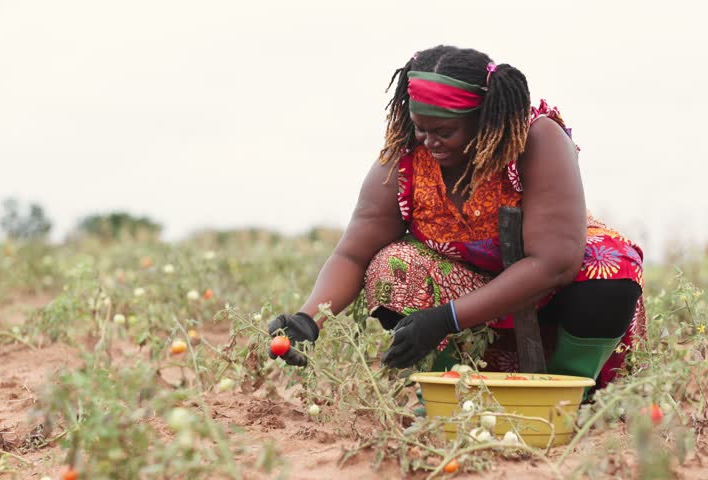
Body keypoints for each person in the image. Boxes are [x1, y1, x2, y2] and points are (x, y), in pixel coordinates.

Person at [268, 45, 646, 393]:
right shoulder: (407, 157)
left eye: (444, 131)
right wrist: (307, 319)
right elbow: (353, 254)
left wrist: (447, 318)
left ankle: (570, 392)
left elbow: (555, 262)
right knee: (392, 266)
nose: (428, 141)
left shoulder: (536, 139)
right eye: (420, 127)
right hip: (465, 291)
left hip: (551, 294)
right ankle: (450, 387)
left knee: (609, 264)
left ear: (485, 118)